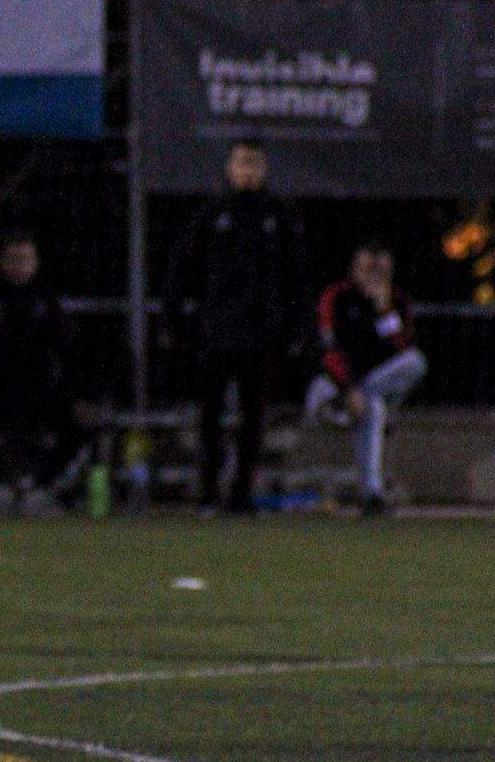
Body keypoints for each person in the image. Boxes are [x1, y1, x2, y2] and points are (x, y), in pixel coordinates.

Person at [163, 138, 308, 514]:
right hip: (216, 332)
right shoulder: (213, 213)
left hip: (261, 335)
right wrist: (174, 317)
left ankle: (242, 493)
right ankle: (208, 492)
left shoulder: (278, 215)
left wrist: (295, 327)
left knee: (254, 418)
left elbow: (296, 276)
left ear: (265, 169)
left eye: (255, 164)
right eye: (242, 163)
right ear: (229, 168)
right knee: (210, 414)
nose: (248, 171)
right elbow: (182, 268)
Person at [305, 242, 428, 516]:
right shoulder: (337, 296)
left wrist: (383, 310)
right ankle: (356, 401)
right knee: (370, 402)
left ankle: (371, 494)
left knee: (409, 369)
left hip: (365, 393)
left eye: (380, 270)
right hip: (331, 388)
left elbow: (400, 352)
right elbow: (327, 349)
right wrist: (348, 391)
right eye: (366, 268)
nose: (372, 275)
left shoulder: (392, 303)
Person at [0, 233, 71, 515]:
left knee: (68, 428)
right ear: (1, 261)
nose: (19, 266)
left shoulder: (48, 299)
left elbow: (64, 351)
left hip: (41, 395)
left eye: (26, 260)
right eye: (13, 260)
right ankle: (1, 487)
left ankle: (38, 488)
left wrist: (64, 393)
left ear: (36, 262)